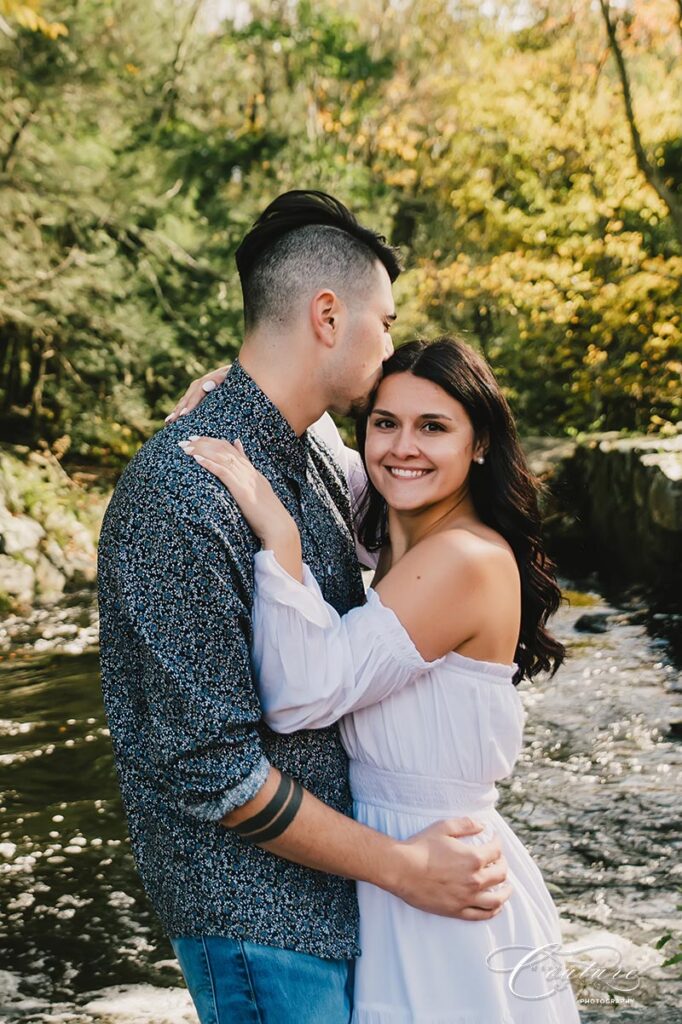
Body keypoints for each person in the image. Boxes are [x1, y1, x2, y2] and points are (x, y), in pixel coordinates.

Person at [97, 192, 511, 1024]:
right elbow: (211, 771)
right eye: (385, 322)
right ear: (329, 315)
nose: (392, 343)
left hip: (339, 909)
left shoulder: (309, 456)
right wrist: (399, 866)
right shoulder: (180, 492)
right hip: (259, 923)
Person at [179, 336, 581, 1023]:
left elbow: (301, 694)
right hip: (397, 866)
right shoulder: (405, 525)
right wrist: (240, 384)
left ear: (479, 442)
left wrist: (282, 540)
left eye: (434, 427)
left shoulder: (463, 558)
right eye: (386, 422)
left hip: (440, 881)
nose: (403, 447)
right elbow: (331, 448)